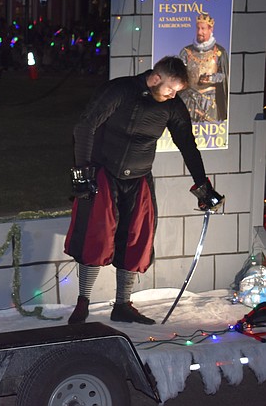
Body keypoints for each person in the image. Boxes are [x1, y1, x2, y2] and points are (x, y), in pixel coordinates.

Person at [64, 56, 224, 325]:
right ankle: (83, 302)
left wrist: (203, 186)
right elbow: (85, 126)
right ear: (156, 78)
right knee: (96, 238)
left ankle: (123, 305)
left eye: (178, 92)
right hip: (104, 173)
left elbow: (187, 144)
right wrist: (83, 172)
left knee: (136, 240)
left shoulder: (171, 106)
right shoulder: (120, 91)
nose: (174, 95)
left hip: (138, 180)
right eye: (171, 89)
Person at [178, 12, 229, 122]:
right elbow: (179, 74)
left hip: (211, 101)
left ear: (210, 30)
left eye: (203, 28)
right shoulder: (186, 52)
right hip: (190, 99)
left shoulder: (220, 52)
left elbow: (224, 76)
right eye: (198, 28)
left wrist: (211, 78)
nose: (200, 32)